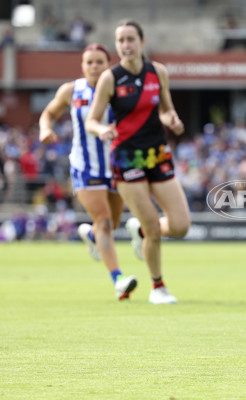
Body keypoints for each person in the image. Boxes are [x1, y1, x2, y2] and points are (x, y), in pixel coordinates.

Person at [85, 20, 190, 305]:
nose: (125, 45)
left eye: (130, 39)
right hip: (126, 157)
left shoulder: (158, 72)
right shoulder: (110, 78)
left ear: (141, 42)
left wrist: (173, 120)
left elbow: (166, 110)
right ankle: (158, 287)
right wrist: (101, 130)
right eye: (120, 41)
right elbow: (91, 119)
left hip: (157, 154)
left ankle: (139, 230)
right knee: (155, 228)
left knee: (180, 226)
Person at [39, 43, 137, 301]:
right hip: (85, 166)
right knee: (104, 221)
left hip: (116, 166)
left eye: (99, 62)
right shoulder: (72, 90)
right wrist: (44, 129)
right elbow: (48, 113)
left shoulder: (119, 90)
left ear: (108, 64)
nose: (94, 66)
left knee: (112, 224)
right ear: (82, 66)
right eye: (89, 62)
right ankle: (118, 280)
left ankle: (91, 234)